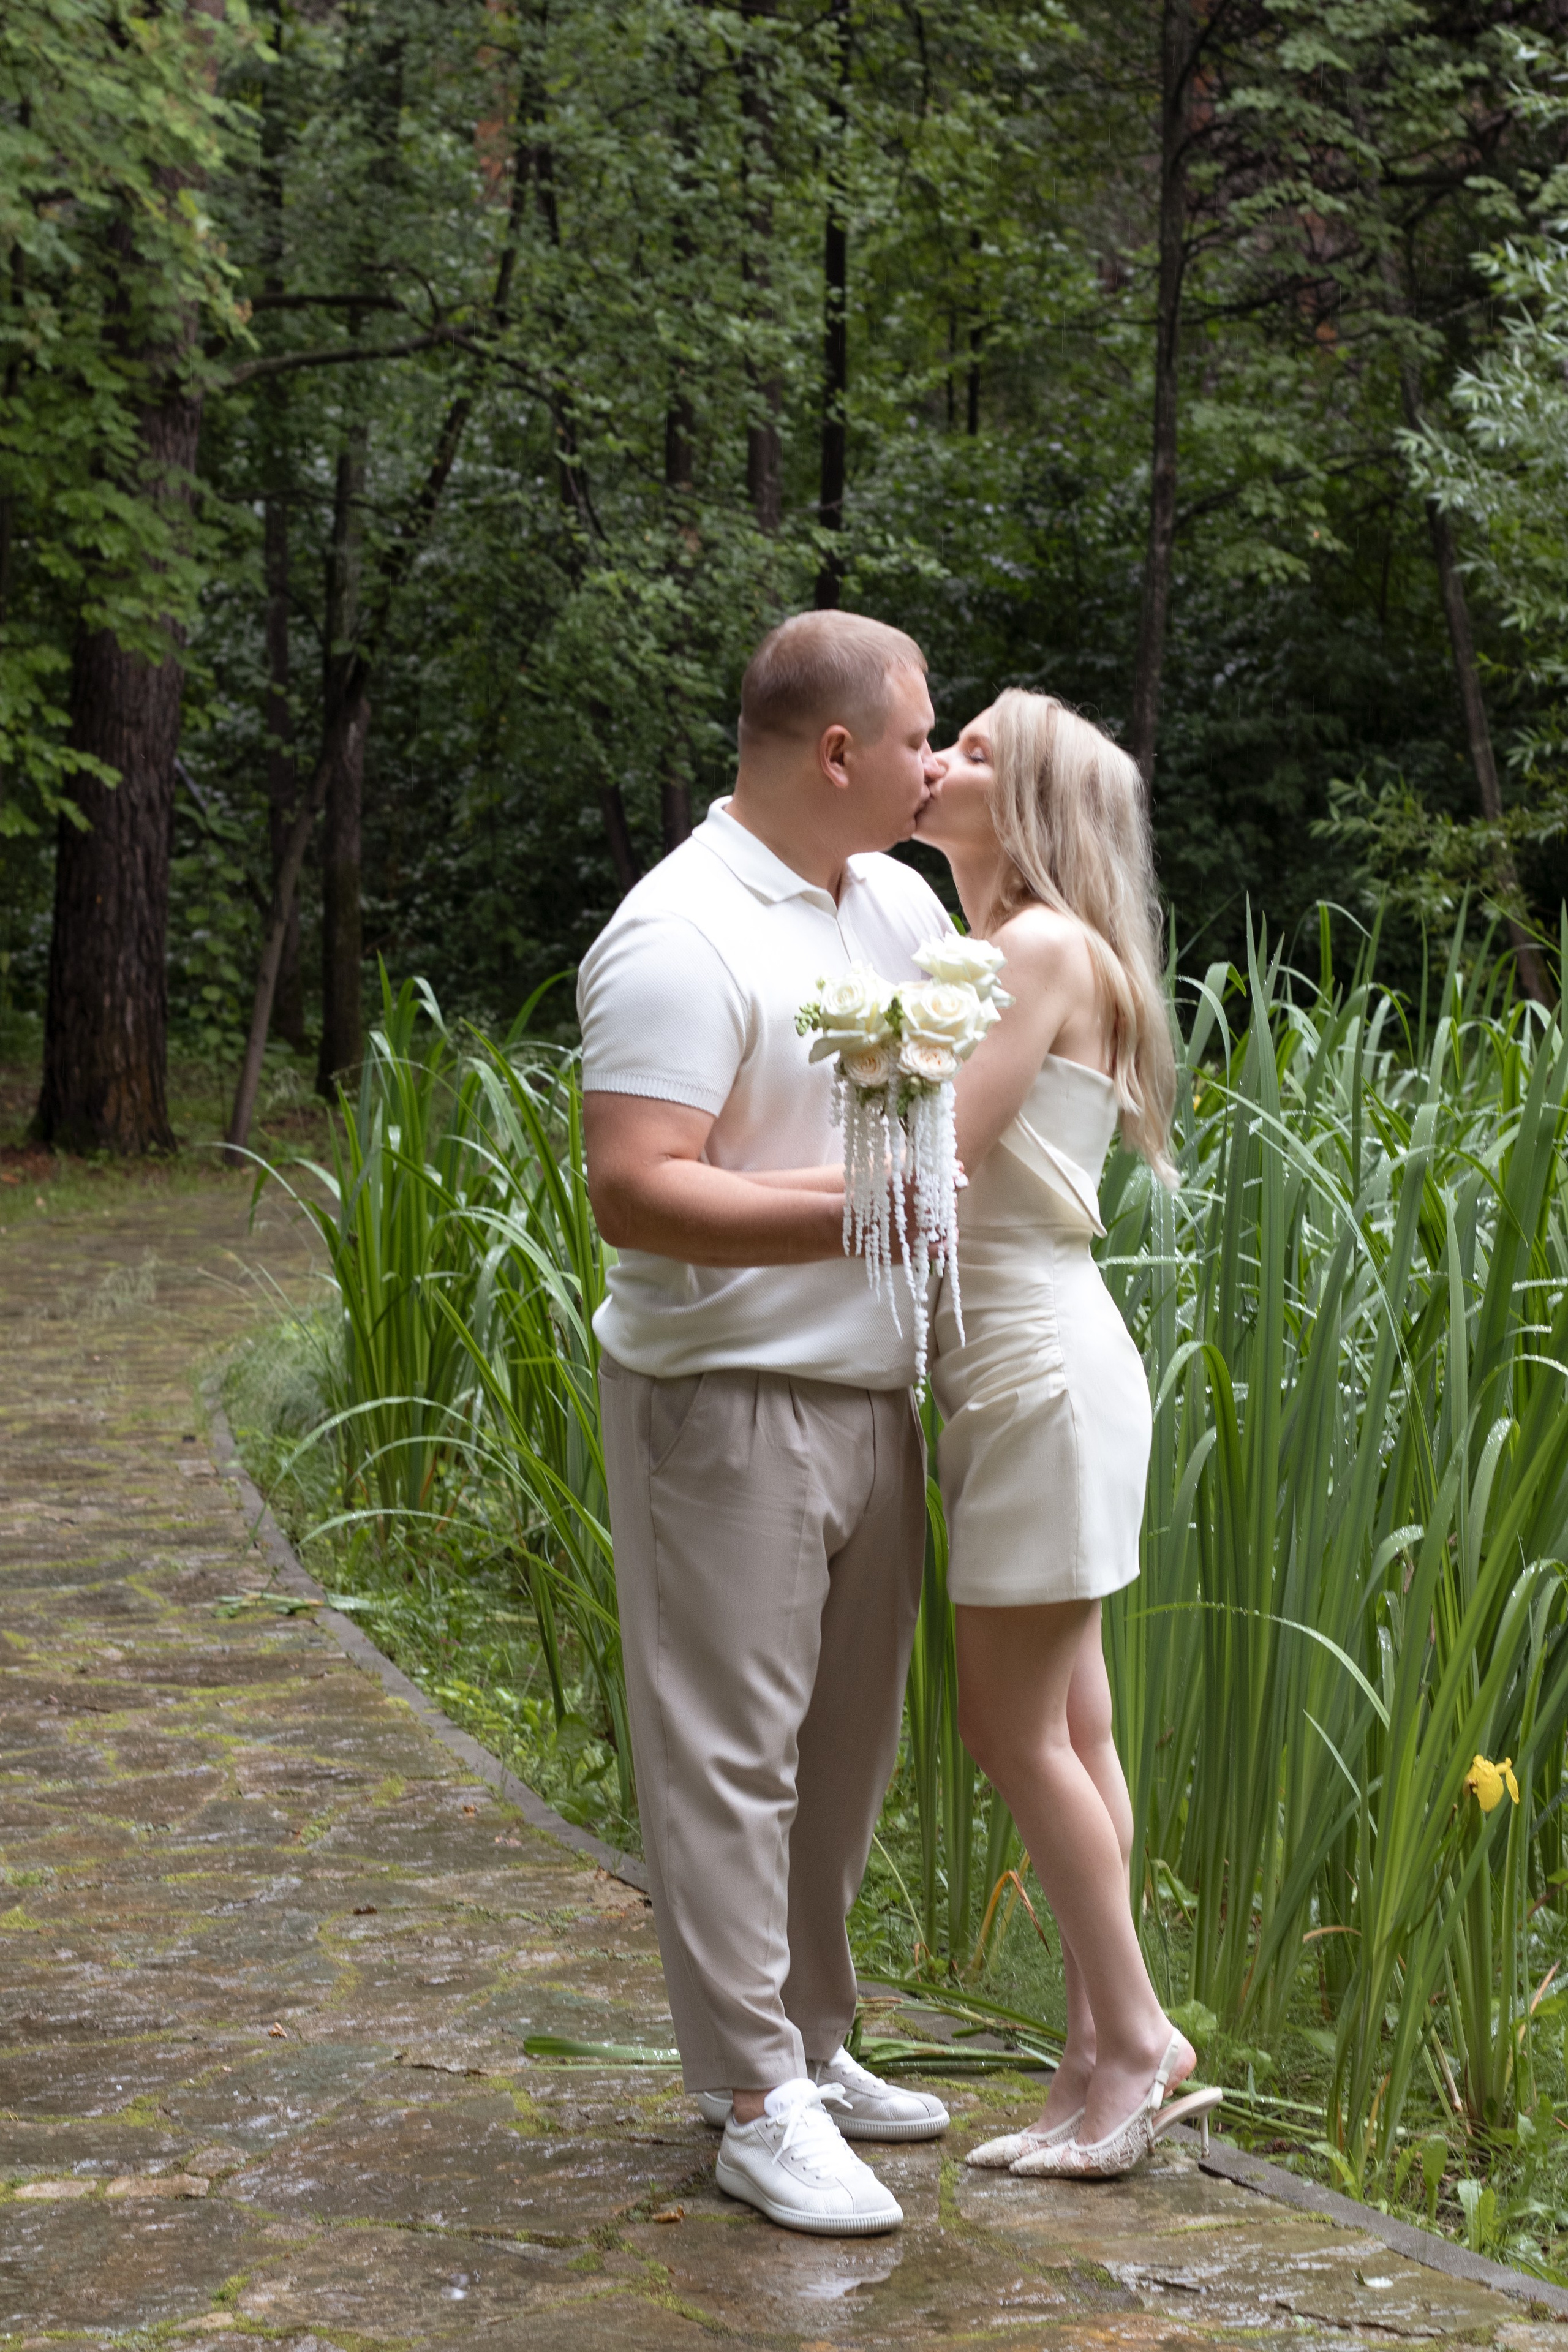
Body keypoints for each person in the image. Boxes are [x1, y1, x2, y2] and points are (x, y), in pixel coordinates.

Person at [578, 611, 954, 2239]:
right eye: (922, 734)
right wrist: (865, 1213)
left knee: (843, 1751)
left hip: (878, 1393)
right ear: (838, 753)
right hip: (725, 1402)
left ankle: (810, 2036)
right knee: (730, 1758)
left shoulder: (896, 900)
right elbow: (635, 1187)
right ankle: (749, 2098)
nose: (939, 761)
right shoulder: (677, 934)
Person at [915, 688, 1222, 2177]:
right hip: (1024, 1364)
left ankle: (1139, 2041)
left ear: (1027, 804)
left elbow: (937, 1154)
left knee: (1009, 1728)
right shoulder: (1013, 947)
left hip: (1035, 1364)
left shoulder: (1032, 947)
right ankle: (1094, 2051)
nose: (936, 762)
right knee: (1072, 1724)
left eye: (971, 751)